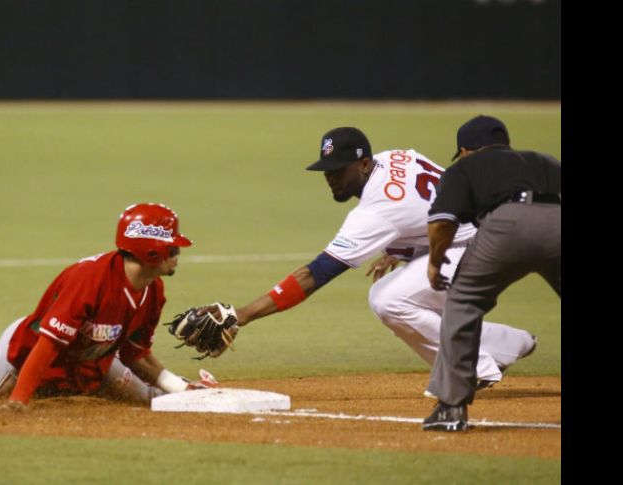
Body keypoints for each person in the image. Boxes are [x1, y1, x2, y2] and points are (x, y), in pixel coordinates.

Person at [200, 127, 536, 386]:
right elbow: (431, 200)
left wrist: (241, 314)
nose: (331, 178)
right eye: (326, 171)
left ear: (363, 164)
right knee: (404, 297)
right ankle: (509, 343)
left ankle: (469, 369)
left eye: (338, 170)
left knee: (390, 301)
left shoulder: (377, 208)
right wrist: (399, 247)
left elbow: (316, 274)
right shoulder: (393, 157)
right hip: (481, 236)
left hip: (479, 249)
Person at [0, 203, 215, 408]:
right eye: (173, 247)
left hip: (90, 358)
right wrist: (18, 402)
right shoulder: (90, 279)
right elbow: (47, 346)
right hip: (28, 352)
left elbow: (137, 354)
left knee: (146, 399)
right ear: (150, 250)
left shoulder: (153, 289)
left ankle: (190, 392)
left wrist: (179, 388)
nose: (178, 253)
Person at [422, 115, 561, 432]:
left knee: (461, 303)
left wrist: (435, 262)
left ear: (465, 150)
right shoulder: (543, 160)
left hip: (507, 225)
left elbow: (442, 221)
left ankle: (451, 408)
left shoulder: (465, 167)